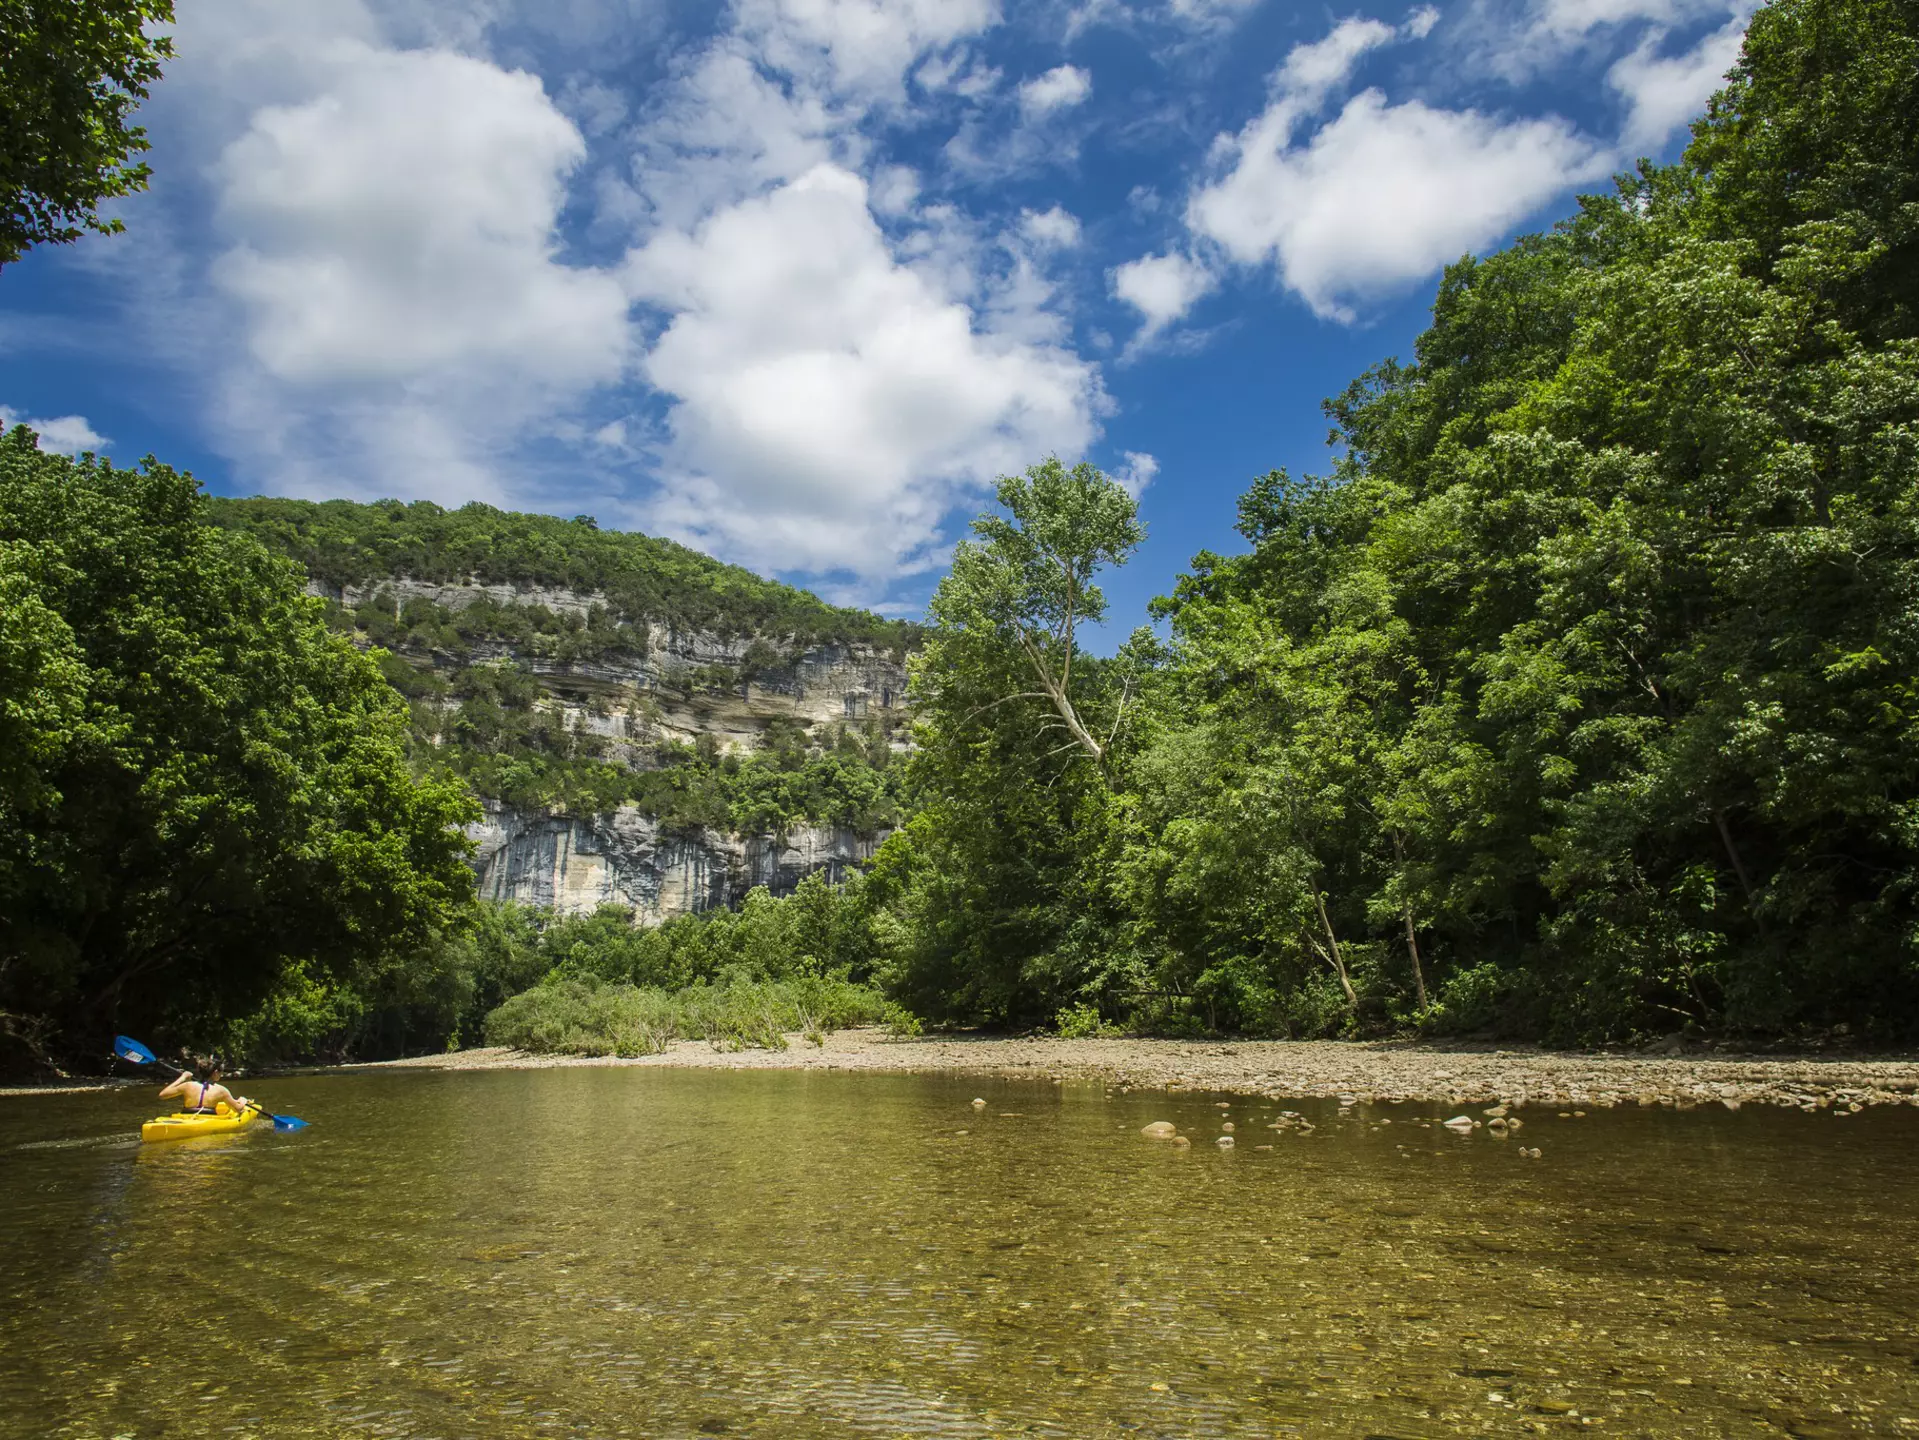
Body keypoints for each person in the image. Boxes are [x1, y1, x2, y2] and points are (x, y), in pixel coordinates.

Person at [158, 1057, 250, 1117]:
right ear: (215, 1073)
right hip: (208, 1119)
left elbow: (162, 1095)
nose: (222, 1074)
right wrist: (243, 1101)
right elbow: (237, 1108)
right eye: (221, 1071)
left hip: (186, 1117)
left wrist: (182, 1078)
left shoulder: (187, 1085)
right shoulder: (221, 1090)